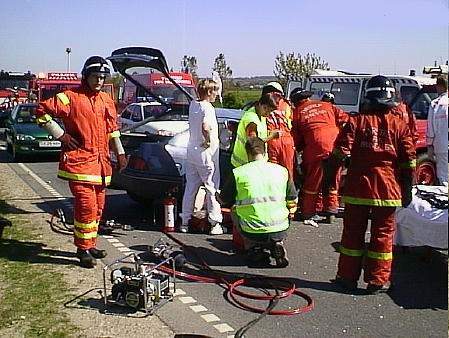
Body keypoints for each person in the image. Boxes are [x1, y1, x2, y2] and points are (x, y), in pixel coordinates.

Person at [324, 75, 416, 294]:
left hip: (358, 188)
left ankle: (347, 277)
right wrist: (408, 188)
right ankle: (377, 280)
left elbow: (339, 154)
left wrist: (329, 180)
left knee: (352, 234)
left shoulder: (355, 122)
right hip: (388, 189)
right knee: (383, 236)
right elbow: (409, 161)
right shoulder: (400, 125)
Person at [36, 56, 127, 268]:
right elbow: (41, 111)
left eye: (102, 78)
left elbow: (112, 130)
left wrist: (120, 154)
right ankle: (82, 249)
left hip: (101, 165)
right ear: (86, 76)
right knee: (86, 207)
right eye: (95, 77)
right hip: (79, 164)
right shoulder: (70, 97)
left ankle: (90, 243)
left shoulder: (106, 100)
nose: (99, 81)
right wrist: (61, 135)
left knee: (98, 209)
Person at [220, 137, 298, 268]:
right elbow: (292, 197)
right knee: (282, 211)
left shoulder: (239, 173)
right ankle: (278, 243)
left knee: (233, 210)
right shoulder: (281, 171)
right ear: (265, 152)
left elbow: (224, 199)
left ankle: (254, 248)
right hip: (280, 227)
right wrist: (291, 213)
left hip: (252, 229)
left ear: (247, 154)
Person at [291, 87, 348, 225]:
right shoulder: (327, 105)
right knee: (332, 181)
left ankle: (309, 212)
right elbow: (346, 121)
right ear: (308, 97)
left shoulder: (297, 113)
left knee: (313, 182)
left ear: (295, 102)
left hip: (317, 149)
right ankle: (331, 211)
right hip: (336, 148)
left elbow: (296, 140)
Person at [180, 79, 223, 235]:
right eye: (216, 91)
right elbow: (206, 127)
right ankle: (215, 223)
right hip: (206, 153)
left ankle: (184, 221)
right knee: (212, 187)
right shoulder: (208, 108)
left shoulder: (194, 105)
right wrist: (209, 140)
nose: (217, 95)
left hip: (192, 151)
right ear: (209, 92)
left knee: (191, 187)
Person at [231, 92, 281, 168]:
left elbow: (259, 134)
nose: (267, 113)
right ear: (260, 104)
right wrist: (271, 136)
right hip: (244, 165)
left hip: (251, 163)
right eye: (265, 108)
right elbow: (253, 144)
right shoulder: (251, 120)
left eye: (270, 111)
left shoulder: (260, 114)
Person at [263, 82, 296, 180]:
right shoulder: (287, 104)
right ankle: (289, 193)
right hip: (287, 140)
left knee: (272, 171)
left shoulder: (266, 102)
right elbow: (292, 122)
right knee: (288, 171)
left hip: (272, 139)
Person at [426, 75, 448, 186]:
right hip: (443, 144)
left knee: (444, 177)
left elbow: (431, 128)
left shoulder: (435, 104)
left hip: (441, 145)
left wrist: (429, 145)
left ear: (439, 86)